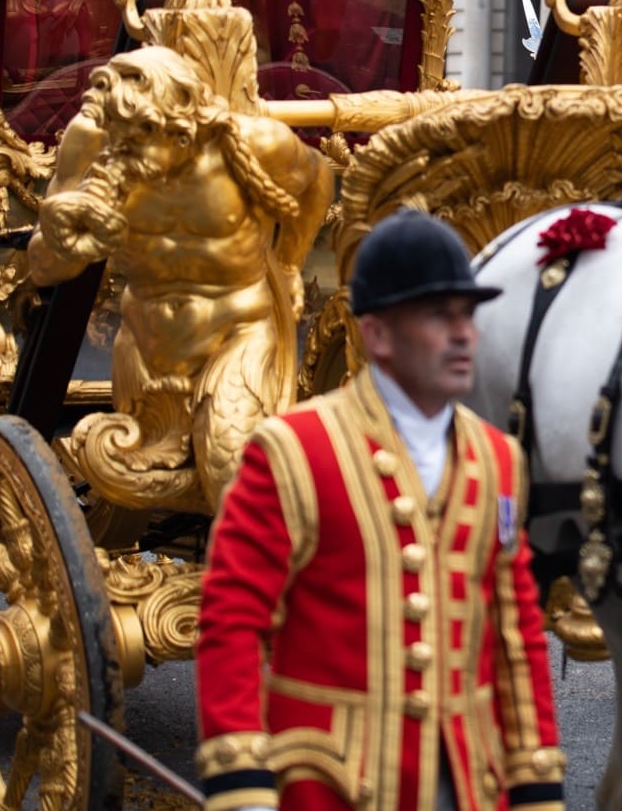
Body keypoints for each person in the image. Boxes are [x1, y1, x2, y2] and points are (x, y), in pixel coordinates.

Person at [196, 211, 565, 811]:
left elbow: (516, 631)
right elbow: (232, 620)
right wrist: (241, 780)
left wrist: (535, 778)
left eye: (467, 315)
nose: (464, 335)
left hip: (469, 783)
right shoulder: (295, 449)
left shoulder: (499, 458)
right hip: (332, 785)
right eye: (437, 317)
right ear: (378, 335)